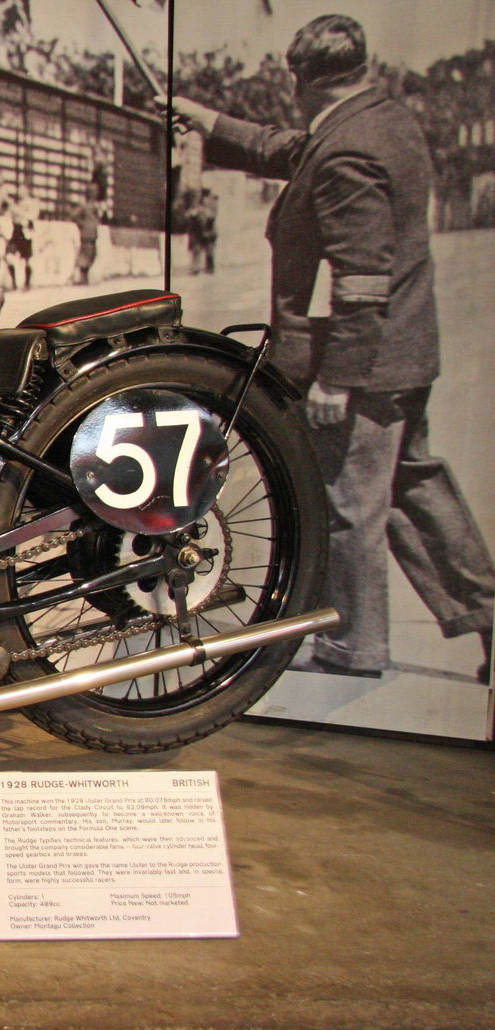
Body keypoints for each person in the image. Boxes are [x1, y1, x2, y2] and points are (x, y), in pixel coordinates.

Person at [173, 14, 495, 682]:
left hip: (367, 362)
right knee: (411, 484)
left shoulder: (348, 151)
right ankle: (486, 609)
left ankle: (352, 648)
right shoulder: (381, 119)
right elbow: (287, 149)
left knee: (347, 505)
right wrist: (201, 118)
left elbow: (361, 280)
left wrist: (336, 380)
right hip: (403, 352)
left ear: (302, 77)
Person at [69, 191, 102, 285]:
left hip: (93, 235)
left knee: (92, 255)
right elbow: (73, 215)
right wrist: (82, 224)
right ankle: (83, 279)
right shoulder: (84, 206)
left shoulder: (95, 208)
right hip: (86, 235)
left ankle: (85, 278)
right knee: (85, 256)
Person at [186, 188, 218, 275]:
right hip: (198, 232)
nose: (205, 200)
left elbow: (212, 217)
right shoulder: (197, 207)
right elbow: (189, 215)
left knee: (209, 251)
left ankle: (209, 268)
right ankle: (195, 269)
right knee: (196, 250)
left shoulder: (211, 206)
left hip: (208, 231)